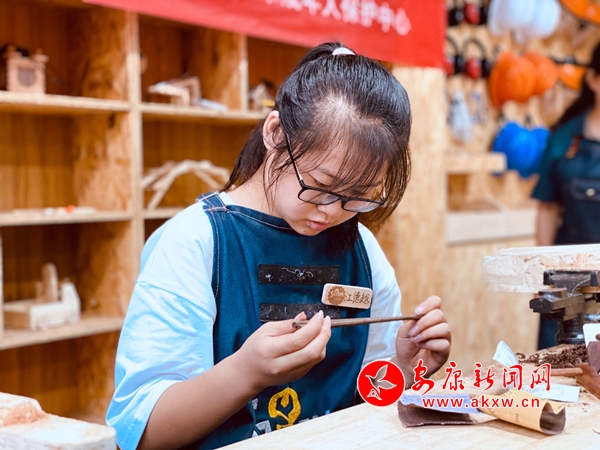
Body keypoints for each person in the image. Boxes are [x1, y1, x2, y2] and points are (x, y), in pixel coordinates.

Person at [106, 42, 452, 450]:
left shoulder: (363, 249)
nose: (332, 212)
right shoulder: (195, 242)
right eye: (320, 186)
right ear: (275, 133)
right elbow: (139, 432)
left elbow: (367, 406)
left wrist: (404, 370)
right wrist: (245, 373)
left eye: (358, 197)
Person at [532, 42, 600, 349]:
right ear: (594, 80)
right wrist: (542, 273)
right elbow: (546, 209)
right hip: (568, 280)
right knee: (560, 361)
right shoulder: (563, 138)